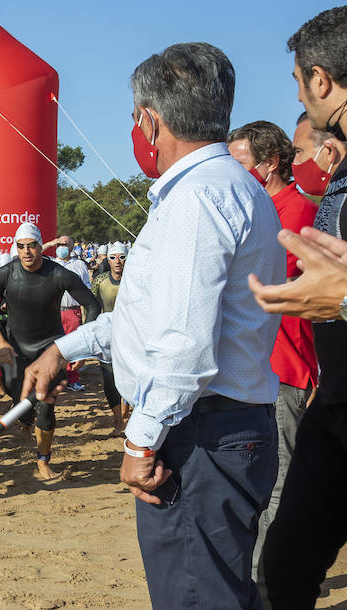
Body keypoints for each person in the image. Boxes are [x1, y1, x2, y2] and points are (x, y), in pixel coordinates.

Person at [22, 43, 281, 609]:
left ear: (150, 120)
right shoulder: (232, 187)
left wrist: (141, 440)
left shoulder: (196, 199)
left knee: (196, 596)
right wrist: (64, 348)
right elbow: (148, 318)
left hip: (198, 435)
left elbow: (183, 345)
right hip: (223, 425)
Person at [246, 9, 347, 607]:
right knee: (284, 565)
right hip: (334, 405)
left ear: (320, 79)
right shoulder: (339, 170)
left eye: (295, 81)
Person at [227, 118, 323, 601]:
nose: (231, 170)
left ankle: (270, 585)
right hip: (248, 373)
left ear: (269, 165)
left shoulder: (300, 214)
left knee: (280, 484)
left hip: (288, 372)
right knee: (253, 483)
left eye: (239, 161)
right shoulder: (251, 210)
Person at [0, 222, 99, 480]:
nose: (27, 252)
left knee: (45, 403)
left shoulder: (58, 274)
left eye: (32, 245)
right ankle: (25, 419)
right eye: (21, 246)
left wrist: (80, 347)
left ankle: (43, 460)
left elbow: (92, 305)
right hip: (15, 349)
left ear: (40, 246)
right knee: (21, 400)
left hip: (50, 349)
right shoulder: (6, 273)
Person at [88, 242, 129, 434]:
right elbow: (91, 305)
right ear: (108, 259)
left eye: (122, 257)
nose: (118, 261)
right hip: (108, 335)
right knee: (109, 377)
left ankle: (126, 414)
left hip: (132, 335)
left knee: (130, 377)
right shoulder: (101, 280)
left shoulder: (135, 278)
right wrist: (90, 329)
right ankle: (118, 419)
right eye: (113, 257)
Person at [54, 243, 92, 392]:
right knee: (55, 345)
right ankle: (59, 378)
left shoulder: (79, 265)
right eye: (59, 244)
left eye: (65, 244)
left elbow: (87, 286)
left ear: (71, 247)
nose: (61, 247)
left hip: (72, 311)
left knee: (74, 346)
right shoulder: (50, 263)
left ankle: (73, 379)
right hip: (54, 311)